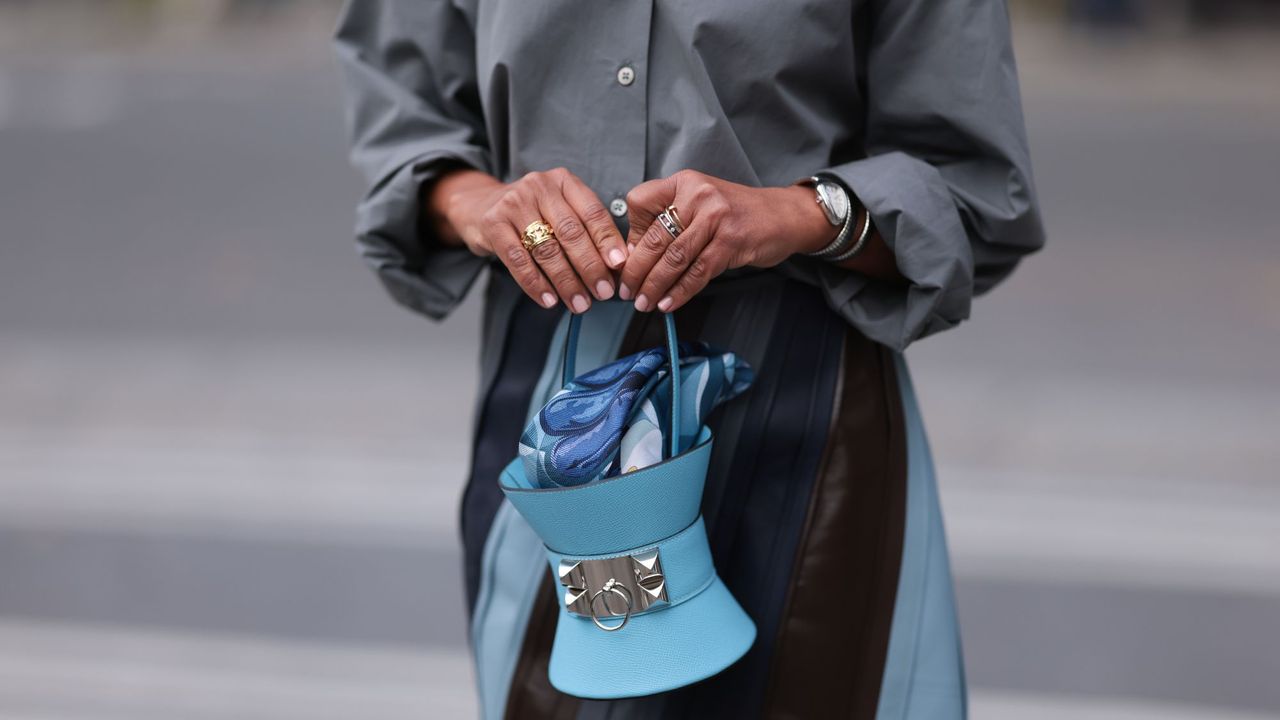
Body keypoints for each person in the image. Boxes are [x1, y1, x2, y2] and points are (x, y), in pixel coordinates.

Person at [333, 0, 1044, 717]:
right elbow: (405, 122)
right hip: (560, 428)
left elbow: (977, 193)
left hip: (802, 412)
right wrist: (484, 207)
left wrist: (794, 215)